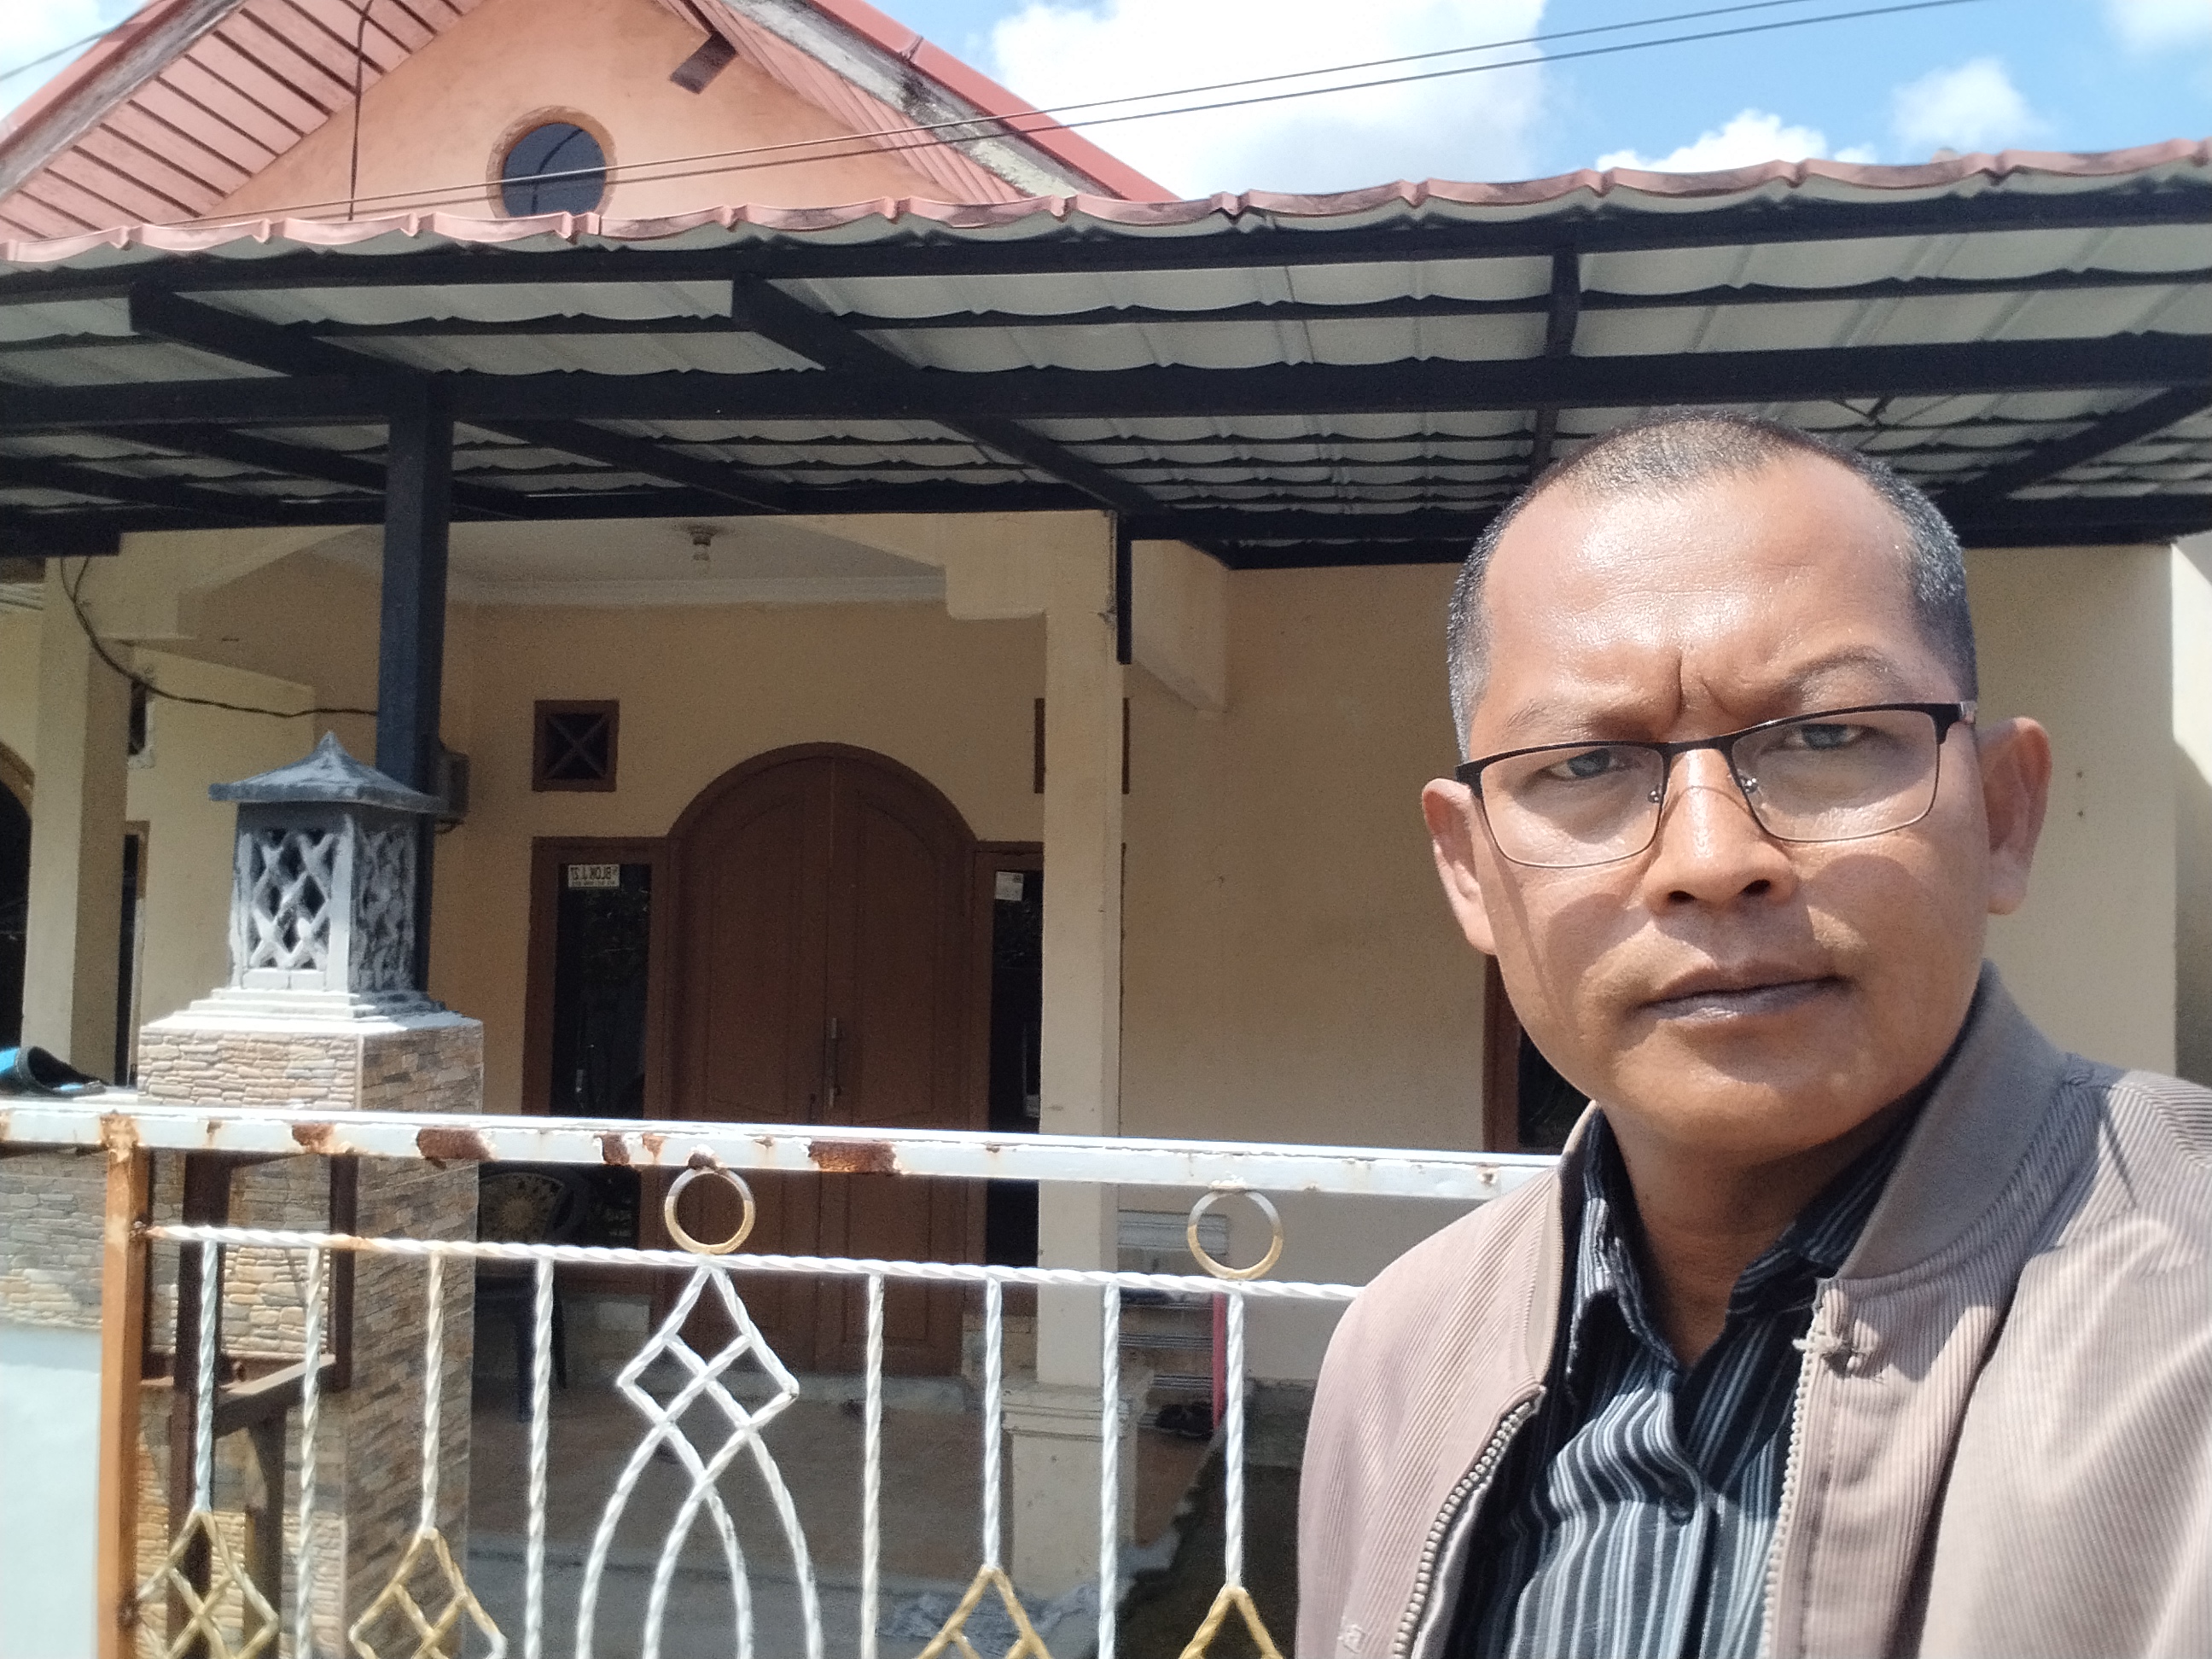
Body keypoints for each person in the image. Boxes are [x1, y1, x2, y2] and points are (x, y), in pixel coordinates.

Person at [1297, 410, 2210, 1659]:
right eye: (1584, 765)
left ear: (2004, 815)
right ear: (1470, 873)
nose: (1713, 859)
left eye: (1828, 737)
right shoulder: (1402, 1355)